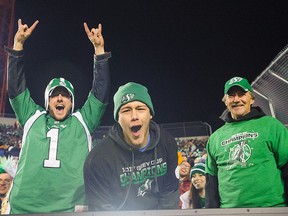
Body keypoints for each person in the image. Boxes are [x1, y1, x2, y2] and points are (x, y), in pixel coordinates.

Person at [4, 19, 111, 213]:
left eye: (65, 95)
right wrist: (17, 45)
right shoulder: (32, 116)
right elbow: (16, 88)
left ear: (72, 102)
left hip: (70, 209)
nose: (60, 98)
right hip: (25, 209)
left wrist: (99, 51)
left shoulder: (83, 121)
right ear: (47, 101)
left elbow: (100, 94)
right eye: (54, 95)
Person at [84, 82, 179, 211]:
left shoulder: (167, 143)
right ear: (118, 118)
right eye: (126, 110)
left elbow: (169, 194)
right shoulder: (98, 159)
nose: (134, 116)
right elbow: (102, 209)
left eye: (140, 109)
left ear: (150, 114)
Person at [205, 76, 288, 208]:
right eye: (231, 95)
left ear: (252, 99)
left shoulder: (272, 126)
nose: (236, 99)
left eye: (242, 94)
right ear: (225, 101)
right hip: (230, 212)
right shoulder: (215, 138)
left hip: (271, 209)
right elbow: (211, 183)